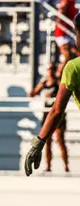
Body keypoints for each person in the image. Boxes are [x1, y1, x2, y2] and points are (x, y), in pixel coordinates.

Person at [25, 12, 80, 177]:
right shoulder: (46, 81)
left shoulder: (73, 68)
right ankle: (50, 166)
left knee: (58, 141)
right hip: (47, 114)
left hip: (52, 117)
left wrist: (37, 143)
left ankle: (63, 166)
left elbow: (57, 110)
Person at [28, 63, 69, 172]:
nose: (50, 71)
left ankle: (66, 166)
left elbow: (64, 92)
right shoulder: (44, 83)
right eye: (49, 69)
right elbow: (33, 93)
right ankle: (48, 166)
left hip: (58, 113)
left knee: (60, 140)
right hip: (47, 113)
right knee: (46, 141)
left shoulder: (58, 82)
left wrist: (53, 97)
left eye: (52, 69)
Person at [54, 0, 80, 78]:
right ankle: (59, 73)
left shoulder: (71, 2)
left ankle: (61, 73)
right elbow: (61, 11)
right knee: (67, 55)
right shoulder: (66, 1)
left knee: (73, 54)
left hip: (68, 32)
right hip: (62, 33)